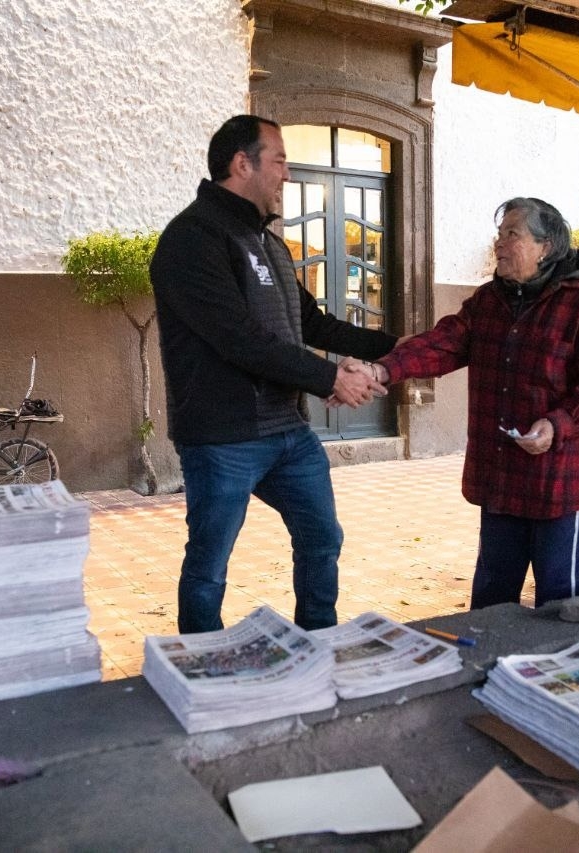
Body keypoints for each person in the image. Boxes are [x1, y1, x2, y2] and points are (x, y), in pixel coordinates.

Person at [151, 114, 394, 634]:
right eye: (279, 160)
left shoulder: (270, 243)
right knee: (209, 567)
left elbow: (313, 324)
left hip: (288, 431)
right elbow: (240, 340)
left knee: (322, 539)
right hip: (223, 438)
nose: (287, 173)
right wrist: (330, 378)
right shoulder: (191, 239)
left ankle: (318, 638)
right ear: (243, 164)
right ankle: (200, 659)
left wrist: (402, 348)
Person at [365, 198, 579, 609]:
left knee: (564, 610)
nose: (499, 243)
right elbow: (443, 343)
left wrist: (557, 424)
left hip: (560, 485)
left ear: (545, 247)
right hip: (501, 483)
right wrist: (381, 370)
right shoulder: (488, 301)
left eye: (511, 234)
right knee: (490, 610)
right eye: (499, 234)